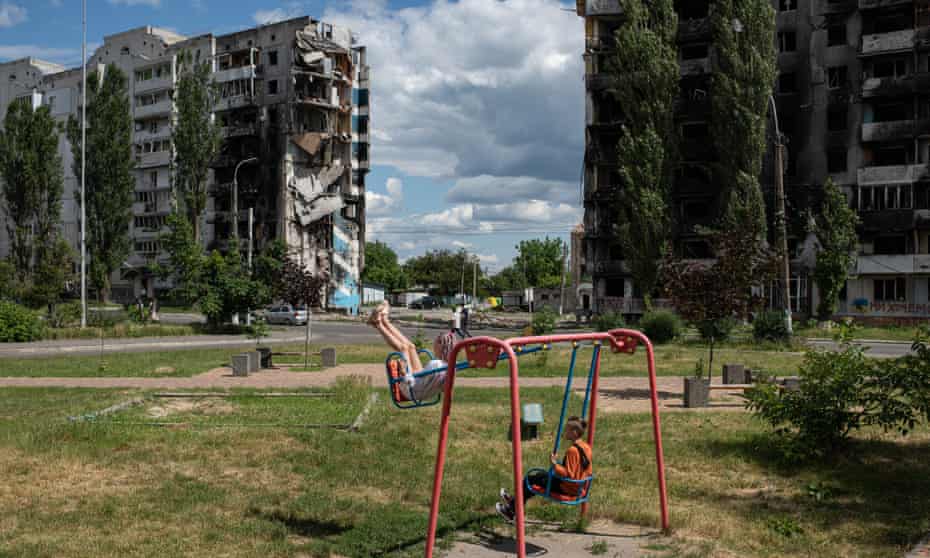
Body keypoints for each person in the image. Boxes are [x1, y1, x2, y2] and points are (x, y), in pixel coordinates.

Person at [495, 416, 593, 522]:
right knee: (537, 477)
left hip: (567, 487)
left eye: (567, 429)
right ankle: (514, 501)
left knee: (530, 480)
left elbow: (569, 475)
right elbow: (582, 469)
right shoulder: (586, 447)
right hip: (577, 486)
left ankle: (512, 511)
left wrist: (554, 464)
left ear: (574, 432)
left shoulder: (572, 451)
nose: (565, 431)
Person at [369, 301, 455, 401]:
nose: (433, 344)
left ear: (441, 346)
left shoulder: (436, 364)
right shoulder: (449, 365)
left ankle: (378, 323)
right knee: (411, 346)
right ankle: (385, 321)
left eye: (436, 342)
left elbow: (411, 382)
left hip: (411, 390)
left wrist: (404, 372)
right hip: (418, 384)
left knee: (403, 348)